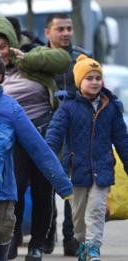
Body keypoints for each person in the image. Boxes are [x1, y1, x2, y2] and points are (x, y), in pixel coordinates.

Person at [0, 52, 73, 261]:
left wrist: (64, 186)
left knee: (4, 228)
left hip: (1, 186)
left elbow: (38, 148)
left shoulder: (11, 108)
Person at [0, 15, 71, 261]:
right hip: (11, 138)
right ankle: (12, 238)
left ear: (12, 42)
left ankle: (37, 245)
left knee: (43, 190)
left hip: (43, 133)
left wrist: (27, 59)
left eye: (2, 47)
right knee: (14, 189)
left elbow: (63, 59)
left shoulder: (30, 57)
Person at [45, 55, 128, 261]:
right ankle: (82, 242)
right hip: (76, 169)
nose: (94, 82)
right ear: (78, 82)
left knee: (96, 210)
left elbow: (122, 140)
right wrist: (47, 155)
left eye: (97, 78)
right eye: (89, 78)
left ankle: (93, 247)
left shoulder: (111, 107)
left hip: (102, 168)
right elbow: (54, 133)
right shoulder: (68, 106)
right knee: (78, 216)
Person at [44, 13, 92, 255]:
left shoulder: (82, 57)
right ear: (47, 33)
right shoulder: (37, 59)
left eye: (69, 28)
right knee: (46, 183)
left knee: (75, 185)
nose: (65, 33)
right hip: (45, 128)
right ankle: (47, 232)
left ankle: (71, 239)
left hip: (76, 131)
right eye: (60, 29)